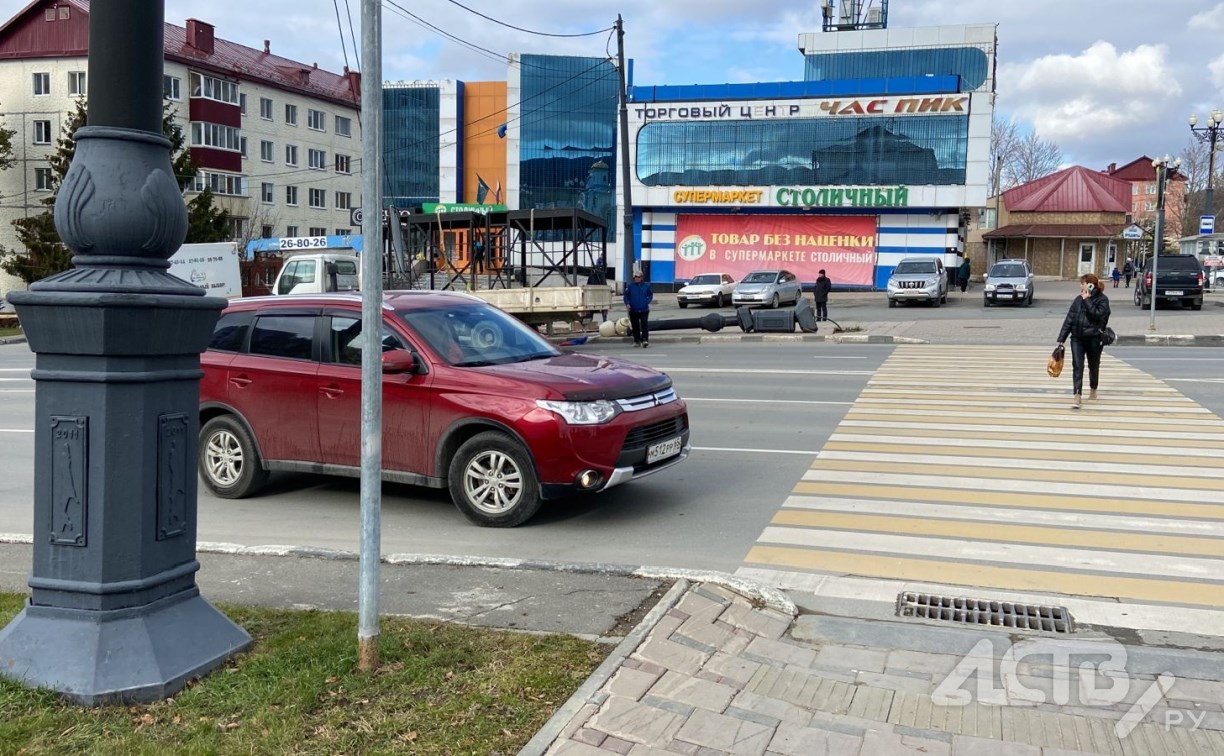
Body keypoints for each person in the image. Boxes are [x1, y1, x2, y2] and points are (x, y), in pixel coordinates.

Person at [1056, 272, 1111, 410]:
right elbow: (1070, 319)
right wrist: (1061, 339)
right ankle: (1077, 395)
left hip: (1094, 338)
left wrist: (1087, 300)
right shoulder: (1077, 300)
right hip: (1077, 338)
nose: (1080, 286)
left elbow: (1098, 316)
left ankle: (1093, 388)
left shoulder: (1102, 300)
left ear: (1091, 285)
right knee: (1077, 365)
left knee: (1093, 365)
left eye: (1083, 283)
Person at [623, 270, 653, 348]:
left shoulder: (646, 286)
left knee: (644, 325)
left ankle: (645, 340)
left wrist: (647, 301)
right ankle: (637, 340)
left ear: (641, 278)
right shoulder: (631, 286)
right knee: (635, 326)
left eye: (638, 277)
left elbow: (650, 295)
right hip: (633, 309)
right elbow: (626, 296)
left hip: (644, 309)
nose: (636, 278)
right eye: (635, 277)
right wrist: (627, 304)